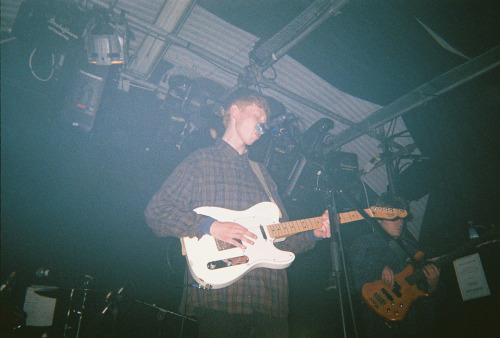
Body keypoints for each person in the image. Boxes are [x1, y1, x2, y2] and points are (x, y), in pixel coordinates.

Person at [144, 88, 331, 338]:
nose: (263, 125)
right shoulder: (200, 162)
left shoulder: (262, 174)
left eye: (265, 121)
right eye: (258, 116)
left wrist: (313, 235)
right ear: (234, 112)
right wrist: (210, 225)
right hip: (222, 299)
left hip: (270, 301)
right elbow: (157, 212)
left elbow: (283, 239)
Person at [349, 194, 440, 337]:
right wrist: (378, 270)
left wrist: (432, 285)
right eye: (394, 217)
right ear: (379, 218)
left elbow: (422, 294)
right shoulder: (365, 243)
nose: (400, 222)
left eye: (402, 217)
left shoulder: (412, 247)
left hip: (412, 323)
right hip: (379, 323)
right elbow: (354, 281)